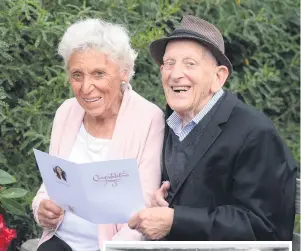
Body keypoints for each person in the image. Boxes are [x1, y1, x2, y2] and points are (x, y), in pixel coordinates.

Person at [128, 15, 297, 241]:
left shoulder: (255, 133)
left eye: (190, 64)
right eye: (169, 63)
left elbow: (266, 228)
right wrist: (161, 205)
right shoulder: (164, 124)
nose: (176, 74)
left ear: (219, 77)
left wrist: (176, 220)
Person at [32, 18, 165, 251]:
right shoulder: (66, 111)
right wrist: (41, 206)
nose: (85, 87)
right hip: (59, 242)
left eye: (98, 74)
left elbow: (145, 206)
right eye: (77, 75)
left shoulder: (149, 118)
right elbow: (52, 183)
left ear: (123, 73)